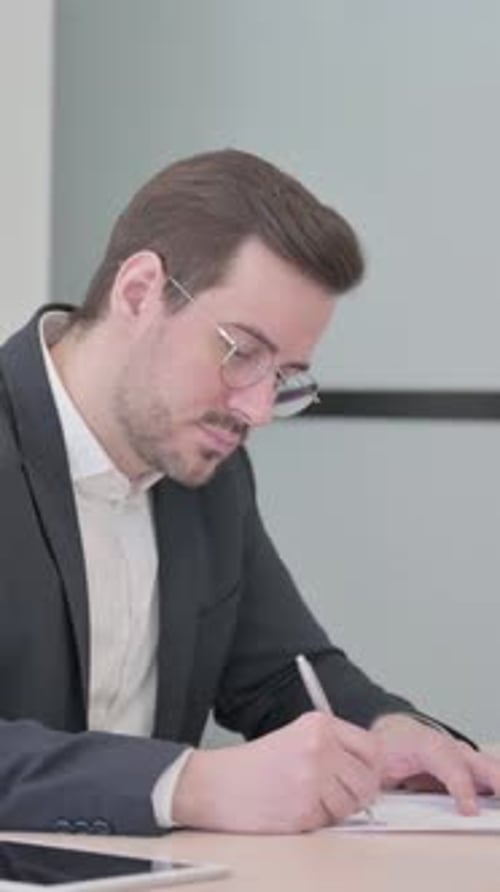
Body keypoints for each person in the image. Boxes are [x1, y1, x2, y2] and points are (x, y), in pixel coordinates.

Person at [0, 148, 498, 837]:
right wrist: (187, 784)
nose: (258, 408)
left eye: (285, 375)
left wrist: (390, 730)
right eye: (241, 352)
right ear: (139, 292)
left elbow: (279, 673)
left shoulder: (207, 470)